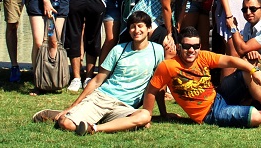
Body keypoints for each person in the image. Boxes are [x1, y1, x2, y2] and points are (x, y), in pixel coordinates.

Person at [32, 11, 166, 135]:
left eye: (140, 26)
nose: (136, 30)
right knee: (65, 123)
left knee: (144, 117)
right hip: (103, 98)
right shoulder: (118, 50)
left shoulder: (157, 51)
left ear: (149, 28)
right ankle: (62, 115)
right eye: (132, 27)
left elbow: (157, 84)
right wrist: (73, 105)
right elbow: (97, 80)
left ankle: (95, 128)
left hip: (125, 107)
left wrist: (163, 113)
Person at [142, 27, 261, 128]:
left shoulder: (203, 56)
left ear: (200, 46)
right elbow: (152, 91)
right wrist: (147, 116)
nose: (191, 50)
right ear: (180, 46)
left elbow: (231, 60)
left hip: (219, 96)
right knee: (255, 118)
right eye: (187, 46)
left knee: (247, 70)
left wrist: (254, 70)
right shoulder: (167, 66)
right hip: (209, 114)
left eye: (195, 46)